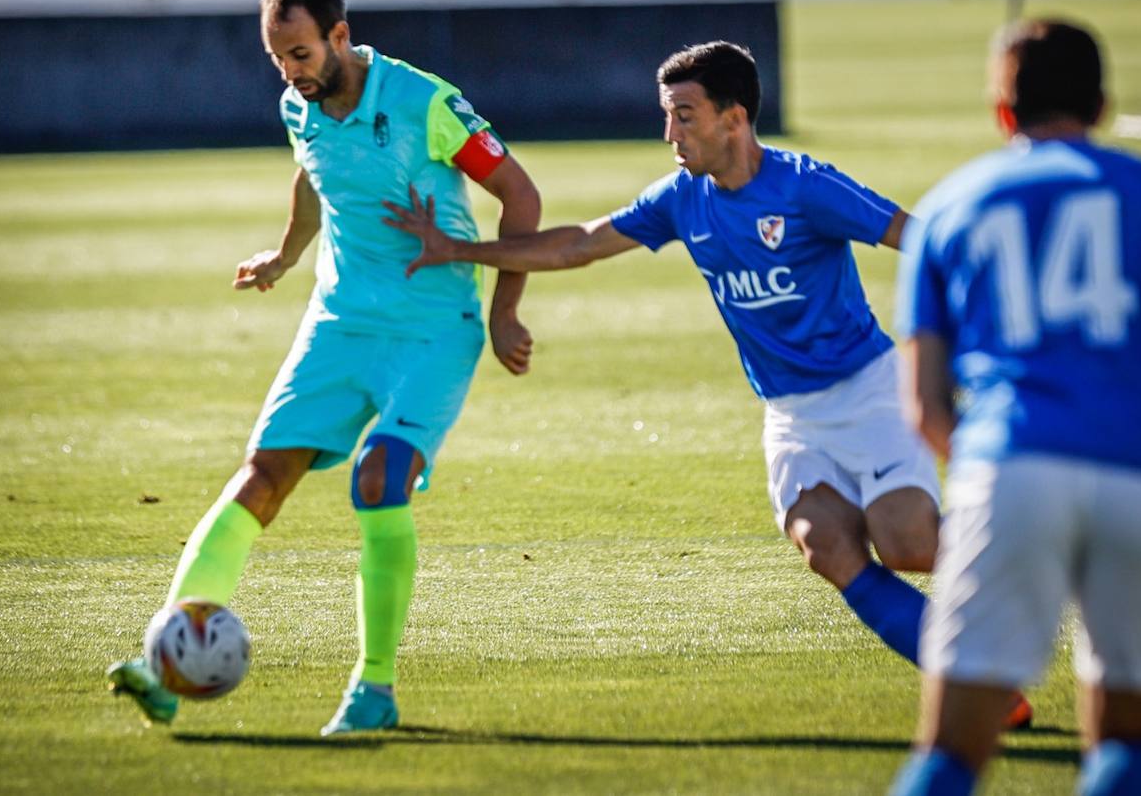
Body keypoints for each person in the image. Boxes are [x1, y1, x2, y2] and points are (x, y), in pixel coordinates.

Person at [384, 41, 1030, 726]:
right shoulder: (682, 199)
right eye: (668, 117)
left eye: (684, 116)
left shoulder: (806, 186)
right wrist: (462, 249)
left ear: (734, 118)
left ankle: (1026, 542)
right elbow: (578, 243)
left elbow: (918, 238)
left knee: (909, 545)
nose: (671, 134)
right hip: (790, 413)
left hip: (868, 391)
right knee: (827, 546)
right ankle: (983, 685)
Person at [107, 0, 541, 735]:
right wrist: (283, 255)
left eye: (301, 54)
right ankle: (168, 667)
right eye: (279, 59)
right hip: (339, 323)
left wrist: (506, 310)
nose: (291, 73)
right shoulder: (296, 105)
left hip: (434, 326)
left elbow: (522, 194)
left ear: (341, 37)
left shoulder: (423, 103)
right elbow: (313, 178)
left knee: (379, 479)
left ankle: (373, 688)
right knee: (260, 476)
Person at [888, 19, 1141, 795]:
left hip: (1012, 467)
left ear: (1003, 113)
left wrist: (992, 482)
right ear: (1103, 104)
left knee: (948, 757)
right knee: (1127, 750)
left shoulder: (947, 209)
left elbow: (926, 406)